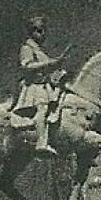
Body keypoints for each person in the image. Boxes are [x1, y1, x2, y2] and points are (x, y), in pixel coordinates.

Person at [13, 16, 67, 155]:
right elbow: (27, 66)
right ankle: (41, 142)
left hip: (45, 86)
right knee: (42, 108)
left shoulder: (40, 51)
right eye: (38, 31)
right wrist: (50, 63)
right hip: (34, 86)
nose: (42, 34)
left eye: (43, 31)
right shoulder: (27, 48)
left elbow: (49, 70)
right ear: (31, 33)